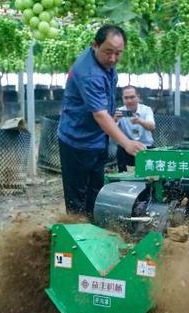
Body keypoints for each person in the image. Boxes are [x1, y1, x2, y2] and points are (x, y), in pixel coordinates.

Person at [58, 24, 146, 217]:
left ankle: (93, 233)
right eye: (108, 52)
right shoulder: (89, 73)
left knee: (96, 195)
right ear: (95, 45)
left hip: (97, 140)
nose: (113, 58)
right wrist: (127, 143)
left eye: (118, 53)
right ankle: (75, 238)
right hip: (77, 142)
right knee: (77, 202)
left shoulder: (105, 64)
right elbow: (99, 114)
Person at [114, 85, 156, 172]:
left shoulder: (146, 110)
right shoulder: (119, 111)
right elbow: (111, 131)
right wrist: (114, 120)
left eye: (132, 97)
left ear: (138, 97)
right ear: (122, 98)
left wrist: (140, 121)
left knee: (149, 175)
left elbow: (152, 126)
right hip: (127, 147)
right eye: (126, 98)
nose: (129, 101)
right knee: (121, 150)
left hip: (145, 146)